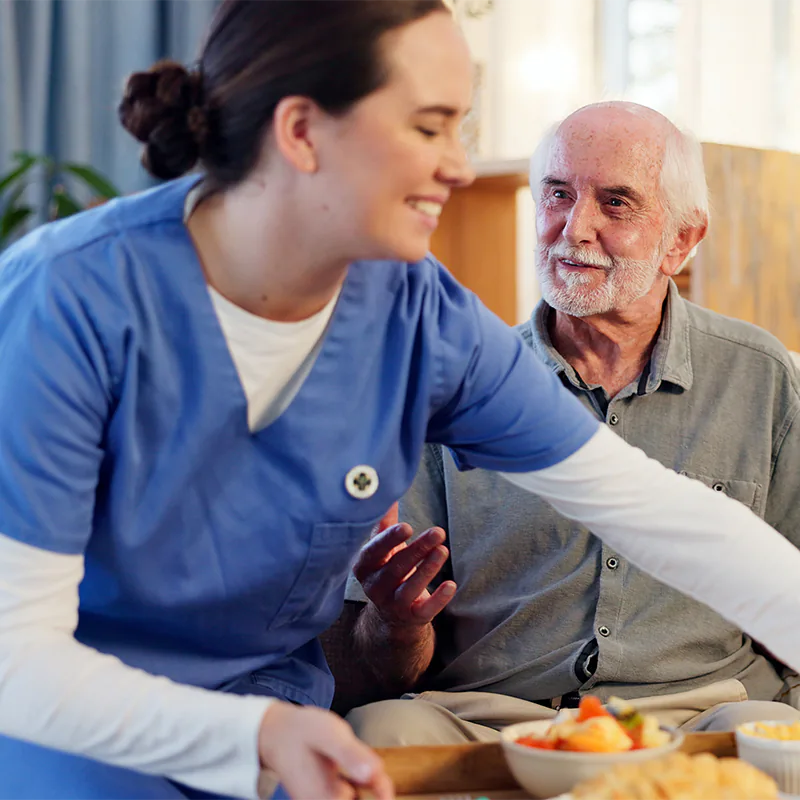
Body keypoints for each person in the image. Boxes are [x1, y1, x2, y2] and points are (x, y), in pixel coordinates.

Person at [0, 1, 799, 795]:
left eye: (462, 128)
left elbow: (655, 510)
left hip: (290, 736)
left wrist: (271, 732)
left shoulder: (420, 315)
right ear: (303, 132)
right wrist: (258, 736)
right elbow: (15, 658)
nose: (458, 164)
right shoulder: (67, 303)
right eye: (429, 126)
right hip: (85, 734)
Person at [342, 101, 800, 746]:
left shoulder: (761, 375)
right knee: (379, 733)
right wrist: (399, 625)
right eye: (557, 194)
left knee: (781, 737)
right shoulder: (452, 381)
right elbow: (375, 656)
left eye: (616, 203)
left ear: (682, 240)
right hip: (495, 714)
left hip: (700, 712)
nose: (574, 228)